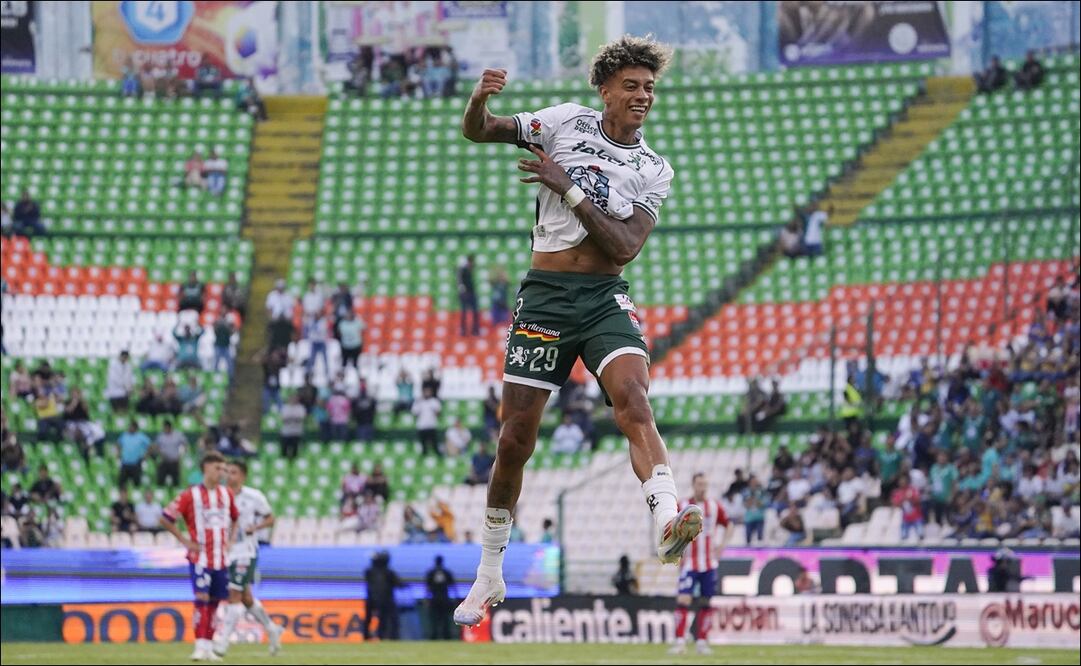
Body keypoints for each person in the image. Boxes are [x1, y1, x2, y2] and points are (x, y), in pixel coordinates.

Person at [454, 37, 698, 628]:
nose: (643, 96)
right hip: (544, 297)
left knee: (634, 399)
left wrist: (567, 188)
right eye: (632, 86)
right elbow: (480, 131)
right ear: (605, 89)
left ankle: (665, 516)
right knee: (515, 439)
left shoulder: (653, 169)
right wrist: (478, 100)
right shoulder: (564, 122)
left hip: (603, 296)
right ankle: (489, 572)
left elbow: (624, 246)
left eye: (649, 88)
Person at [159, 452, 239, 662]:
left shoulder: (226, 494)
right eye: (218, 468)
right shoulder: (190, 495)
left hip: (221, 559)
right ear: (206, 469)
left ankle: (208, 646)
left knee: (214, 603)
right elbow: (166, 518)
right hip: (200, 558)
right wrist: (184, 541)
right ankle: (199, 646)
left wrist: (230, 541)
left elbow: (235, 518)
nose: (221, 473)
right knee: (201, 599)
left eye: (223, 469)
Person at [212, 460, 283, 658]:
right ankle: (272, 629)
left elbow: (270, 518)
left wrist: (255, 528)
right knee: (245, 597)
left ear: (243, 476)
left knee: (233, 595)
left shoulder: (254, 497)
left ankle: (222, 643)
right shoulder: (219, 496)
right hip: (226, 551)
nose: (229, 476)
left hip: (245, 551)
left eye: (233, 472)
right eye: (227, 472)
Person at [669, 473, 731, 656]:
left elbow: (729, 524)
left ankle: (702, 642)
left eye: (704, 484)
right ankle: (680, 641)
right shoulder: (682, 505)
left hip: (709, 564)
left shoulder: (714, 506)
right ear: (693, 485)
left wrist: (722, 545)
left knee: (706, 602)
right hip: (689, 564)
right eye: (699, 484)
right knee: (683, 599)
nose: (702, 487)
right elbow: (671, 526)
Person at [364, 550, 403, 640]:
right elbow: (398, 584)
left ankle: (366, 635)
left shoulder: (369, 571)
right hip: (385, 599)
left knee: (369, 618)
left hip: (371, 598)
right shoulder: (388, 572)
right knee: (385, 618)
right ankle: (387, 635)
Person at [425, 555, 457, 640]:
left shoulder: (431, 572)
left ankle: (434, 636)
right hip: (444, 598)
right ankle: (446, 636)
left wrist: (427, 599)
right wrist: (455, 598)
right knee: (445, 619)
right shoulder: (446, 572)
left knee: (434, 619)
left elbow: (427, 587)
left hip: (434, 599)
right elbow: (453, 586)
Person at [117, 420, 151, 489]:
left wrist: (146, 455)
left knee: (136, 484)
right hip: (125, 463)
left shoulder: (141, 437)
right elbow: (118, 444)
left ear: (135, 428)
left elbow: (150, 446)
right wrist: (119, 453)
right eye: (129, 427)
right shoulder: (124, 435)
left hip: (136, 464)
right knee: (121, 483)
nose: (129, 428)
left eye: (131, 427)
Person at [891, 473, 925, 540]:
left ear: (907, 481)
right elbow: (895, 504)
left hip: (917, 517)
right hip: (906, 519)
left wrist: (910, 499)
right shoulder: (897, 492)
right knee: (903, 536)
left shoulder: (913, 490)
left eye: (904, 480)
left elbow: (918, 501)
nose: (902, 482)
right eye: (901, 481)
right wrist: (903, 499)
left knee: (921, 534)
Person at [412, 386, 442, 456]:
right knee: (423, 443)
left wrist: (434, 411)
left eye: (429, 392)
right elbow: (415, 413)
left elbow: (438, 413)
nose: (427, 393)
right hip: (422, 426)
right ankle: (424, 455)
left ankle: (437, 455)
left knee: (434, 442)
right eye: (425, 392)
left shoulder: (434, 401)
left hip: (431, 425)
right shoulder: (418, 402)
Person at [458, 255, 480, 336]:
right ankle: (463, 330)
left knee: (475, 311)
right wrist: (463, 291)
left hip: (471, 293)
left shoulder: (469, 270)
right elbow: (460, 282)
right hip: (465, 293)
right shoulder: (463, 270)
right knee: (464, 312)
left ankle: (475, 330)